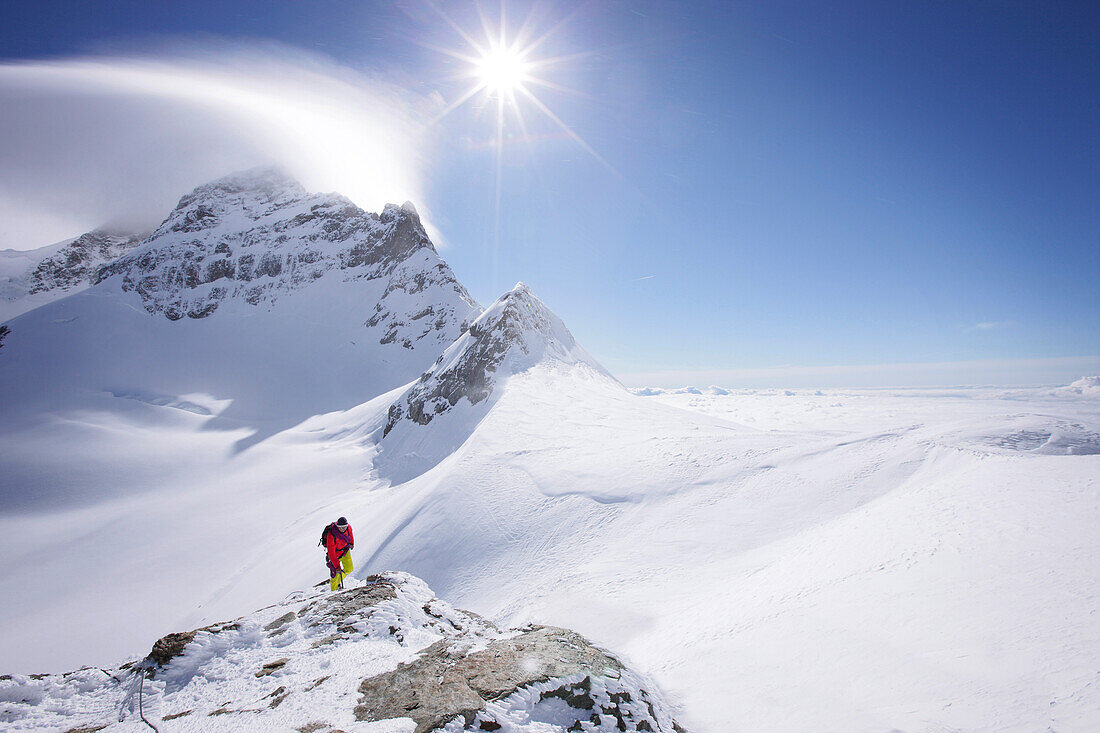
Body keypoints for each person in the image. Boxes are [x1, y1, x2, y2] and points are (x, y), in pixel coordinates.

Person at [322, 516, 354, 590]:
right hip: (335, 554)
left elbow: (351, 536)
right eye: (342, 527)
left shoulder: (348, 528)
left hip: (345, 550)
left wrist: (352, 543)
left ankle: (338, 582)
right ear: (338, 526)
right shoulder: (331, 534)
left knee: (349, 568)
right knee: (335, 574)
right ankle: (333, 591)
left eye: (345, 527)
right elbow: (331, 552)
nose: (344, 529)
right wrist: (337, 566)